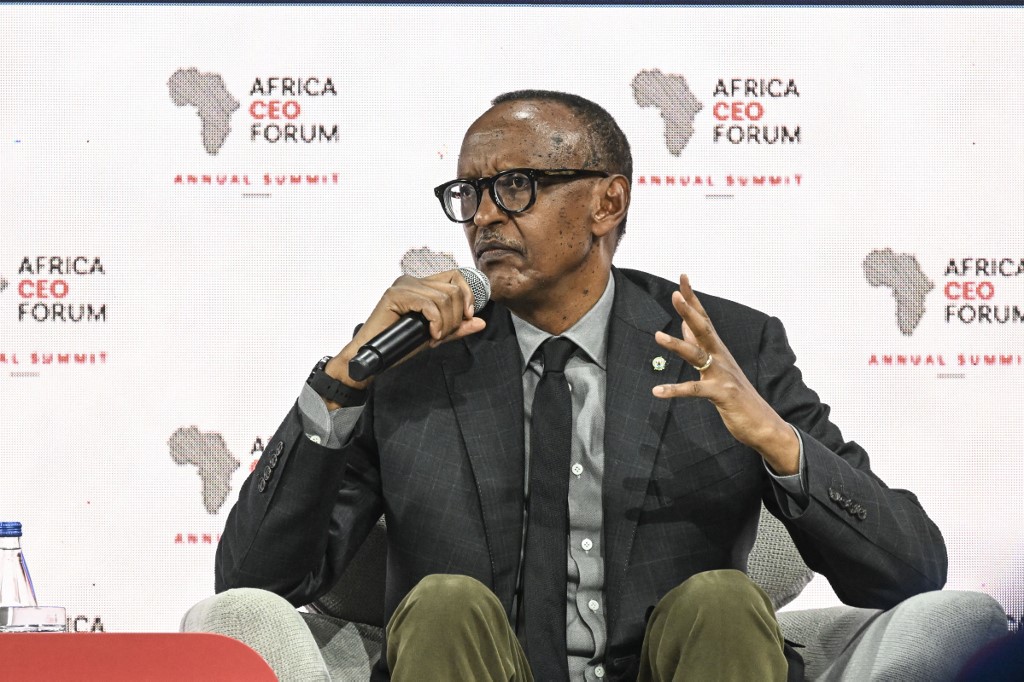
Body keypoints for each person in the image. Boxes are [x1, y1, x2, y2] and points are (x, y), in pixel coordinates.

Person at [216, 90, 948, 681]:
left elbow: (911, 571)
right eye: (469, 193)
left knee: (723, 602)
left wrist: (776, 441)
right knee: (443, 604)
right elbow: (256, 581)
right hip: (471, 668)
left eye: (515, 185)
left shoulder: (724, 347)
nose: (486, 216)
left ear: (607, 203)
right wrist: (346, 376)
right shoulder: (419, 364)